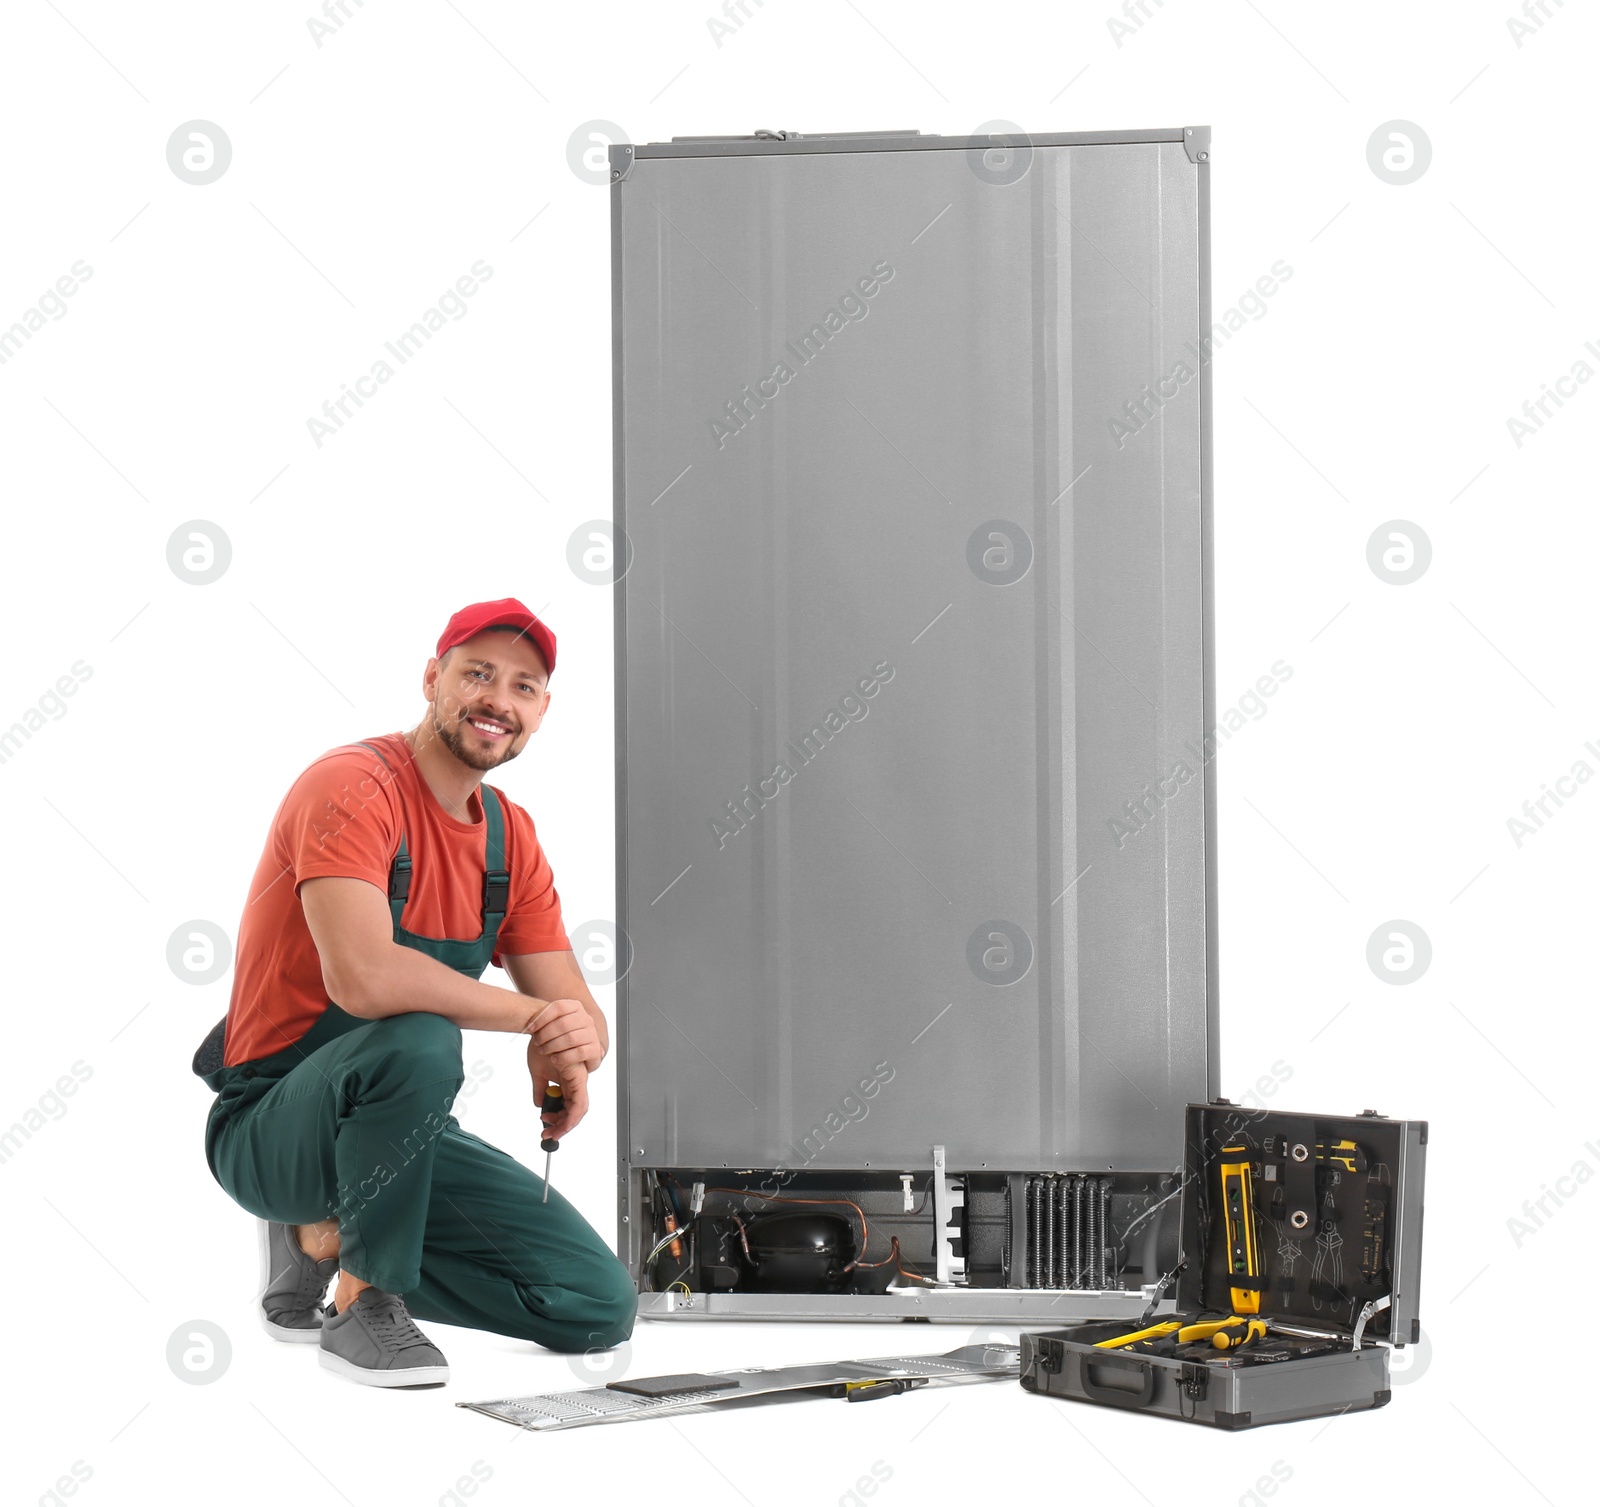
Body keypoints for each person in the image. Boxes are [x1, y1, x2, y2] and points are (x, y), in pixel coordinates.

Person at [191, 598, 636, 1388]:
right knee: (423, 1035)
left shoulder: (510, 837)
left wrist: (568, 1058)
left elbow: (581, 1015)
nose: (499, 699)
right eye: (478, 674)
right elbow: (365, 976)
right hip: (269, 1125)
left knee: (595, 1304)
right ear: (433, 677)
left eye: (524, 686)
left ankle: (322, 1239)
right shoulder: (352, 787)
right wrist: (534, 1020)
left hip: (399, 1133)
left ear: (540, 711)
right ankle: (366, 1301)